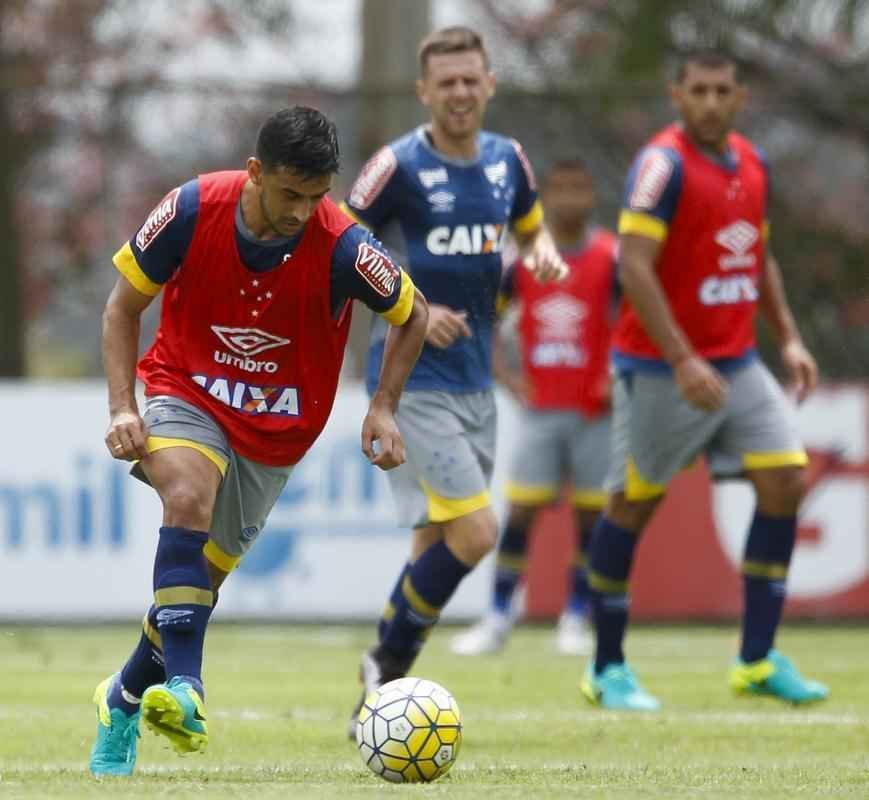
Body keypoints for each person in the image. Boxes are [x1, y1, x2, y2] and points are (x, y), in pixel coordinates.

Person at [88, 106, 428, 776]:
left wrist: (383, 407)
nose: (304, 211)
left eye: (317, 196)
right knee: (186, 494)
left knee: (195, 586)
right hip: (184, 388)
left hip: (278, 430)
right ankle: (187, 688)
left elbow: (410, 314)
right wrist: (122, 406)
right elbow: (122, 307)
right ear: (254, 173)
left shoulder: (342, 244)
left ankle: (122, 698)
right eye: (290, 194)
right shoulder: (191, 208)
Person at [580, 51, 829, 710]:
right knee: (632, 506)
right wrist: (682, 356)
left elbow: (758, 253)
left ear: (739, 96)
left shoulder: (751, 162)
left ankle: (755, 659)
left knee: (786, 479)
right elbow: (633, 266)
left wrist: (792, 338)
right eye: (698, 91)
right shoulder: (660, 166)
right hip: (660, 369)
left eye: (722, 90)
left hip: (736, 361)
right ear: (676, 95)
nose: (711, 102)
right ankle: (604, 667)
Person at [341, 26, 565, 732]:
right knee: (475, 532)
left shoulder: (508, 161)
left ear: (489, 84)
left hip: (475, 381)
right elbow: (339, 245)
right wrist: (411, 303)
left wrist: (546, 255)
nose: (461, 93)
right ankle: (383, 660)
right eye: (447, 83)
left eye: (472, 80)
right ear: (424, 92)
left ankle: (378, 703)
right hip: (412, 382)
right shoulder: (396, 165)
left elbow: (530, 228)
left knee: (430, 545)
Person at [450, 159, 618, 657]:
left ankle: (576, 615)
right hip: (540, 408)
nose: (570, 200)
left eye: (579, 188)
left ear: (590, 195)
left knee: (592, 520)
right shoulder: (521, 260)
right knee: (520, 513)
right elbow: (485, 322)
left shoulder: (611, 256)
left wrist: (616, 374)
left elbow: (635, 320)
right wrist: (506, 376)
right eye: (560, 189)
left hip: (596, 411)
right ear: (546, 196)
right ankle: (500, 615)